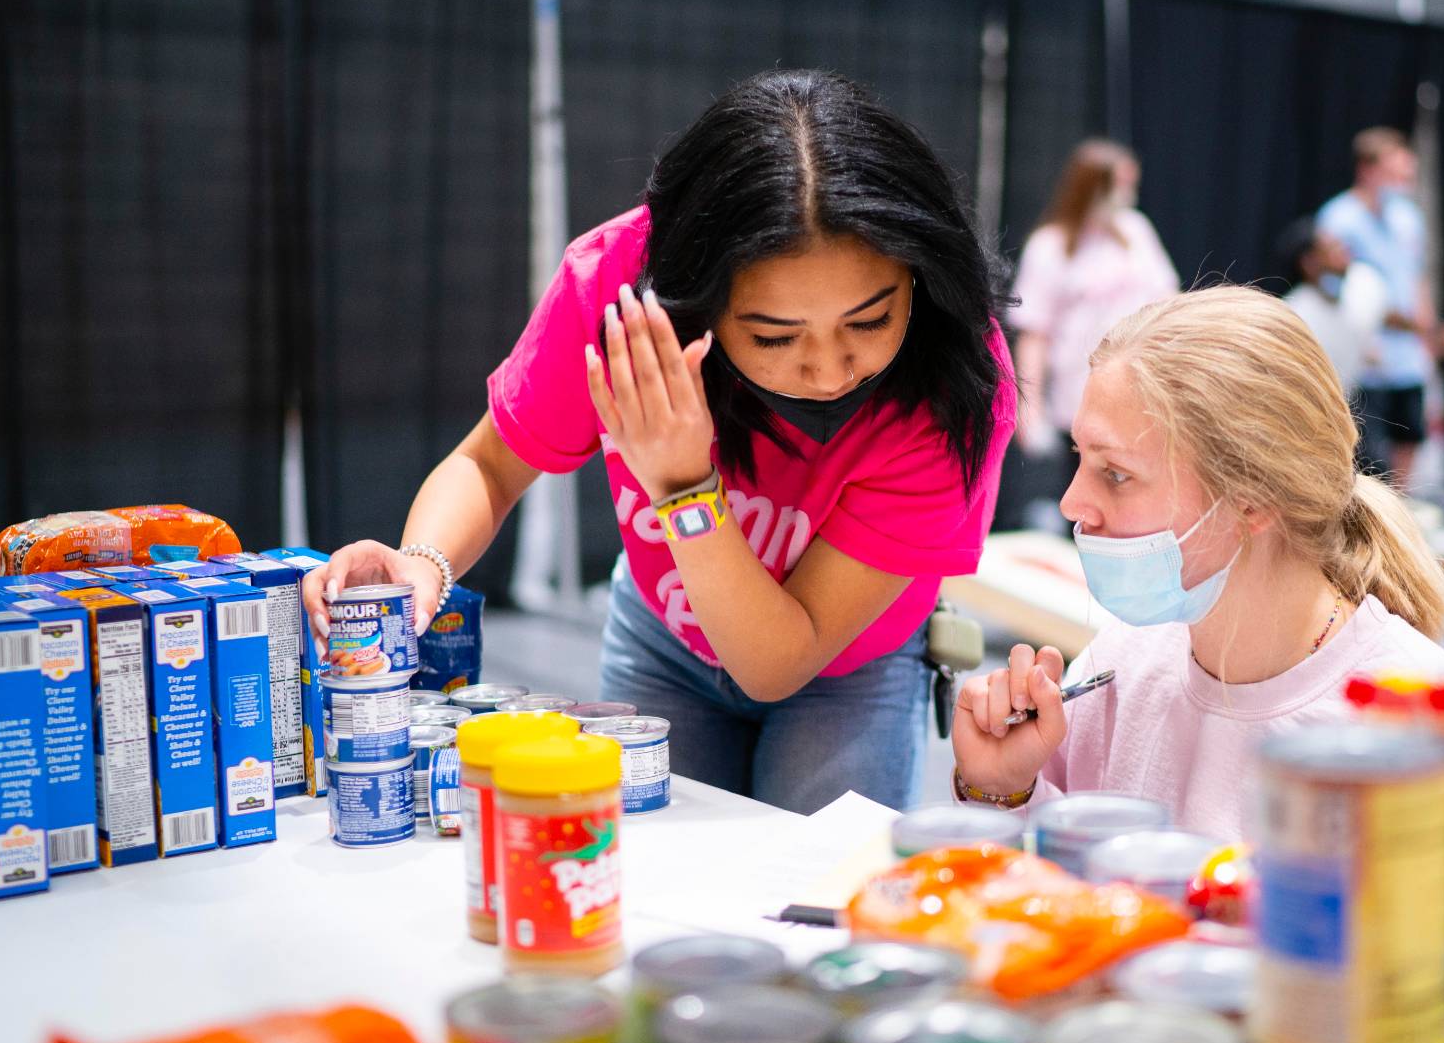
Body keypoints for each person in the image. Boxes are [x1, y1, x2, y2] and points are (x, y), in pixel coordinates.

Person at [304, 70, 1016, 815]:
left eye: (868, 322)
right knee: (648, 881)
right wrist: (420, 565)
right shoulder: (616, 291)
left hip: (849, 666)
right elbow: (488, 463)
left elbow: (779, 660)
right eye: (774, 335)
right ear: (697, 301)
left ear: (917, 277)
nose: (828, 369)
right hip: (665, 637)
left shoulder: (954, 382)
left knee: (808, 888)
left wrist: (684, 489)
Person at [949, 286, 1444, 841]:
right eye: (1081, 459)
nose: (1072, 504)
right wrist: (1002, 789)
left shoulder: (1410, 716)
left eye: (1115, 473)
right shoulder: (1120, 661)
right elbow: (1038, 899)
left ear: (1253, 498)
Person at [1317, 128, 1444, 489]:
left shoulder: (1407, 217)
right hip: (1366, 357)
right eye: (1394, 174)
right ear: (1367, 170)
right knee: (1367, 448)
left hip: (1407, 353)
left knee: (1410, 436)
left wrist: (1428, 335)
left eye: (1407, 176)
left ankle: (1400, 512)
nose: (1402, 183)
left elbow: (1416, 277)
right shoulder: (1339, 219)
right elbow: (1338, 292)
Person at [1011, 140, 1179, 453]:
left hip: (1143, 393)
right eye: (1121, 183)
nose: (1128, 192)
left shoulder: (1136, 231)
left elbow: (1169, 301)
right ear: (1092, 186)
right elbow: (1035, 334)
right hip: (1078, 397)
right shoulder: (1049, 246)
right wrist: (1030, 406)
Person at [1277, 216, 1384, 398]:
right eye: (1333, 248)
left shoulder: (1359, 289)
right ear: (1309, 263)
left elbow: (1385, 315)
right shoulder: (1294, 315)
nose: (1344, 252)